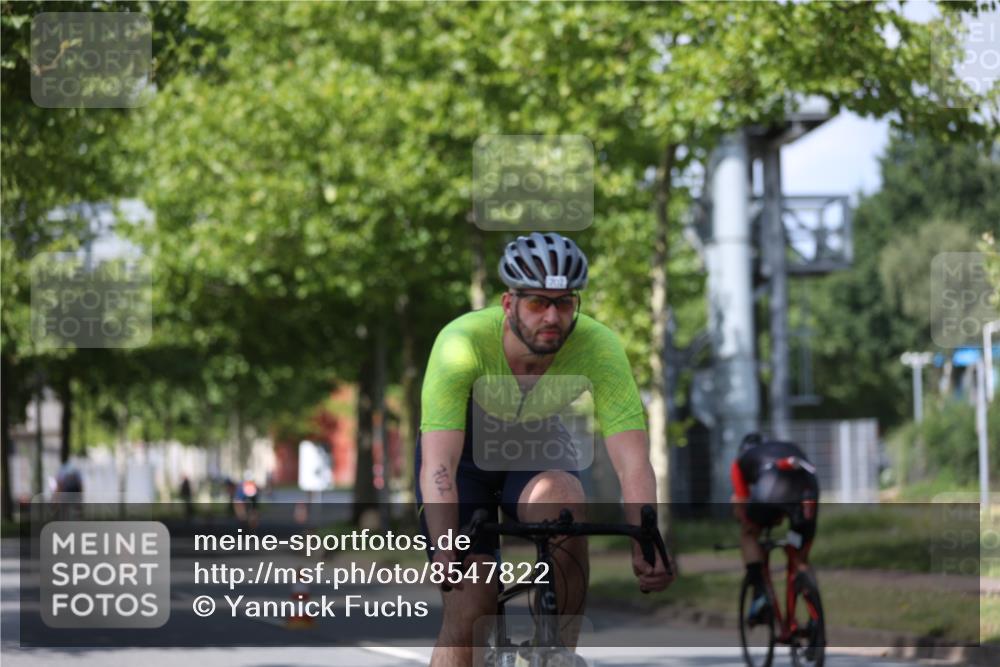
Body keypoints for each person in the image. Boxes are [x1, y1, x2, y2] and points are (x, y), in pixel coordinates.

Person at [416, 232, 674, 667]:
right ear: (507, 304)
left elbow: (632, 461)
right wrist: (445, 547)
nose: (552, 316)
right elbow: (438, 462)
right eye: (537, 302)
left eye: (565, 303)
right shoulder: (461, 343)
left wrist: (646, 544)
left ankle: (554, 652)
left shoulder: (598, 345)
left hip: (533, 446)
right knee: (472, 601)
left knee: (566, 507)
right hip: (462, 460)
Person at [730, 432, 820, 625]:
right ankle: (815, 620)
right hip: (808, 486)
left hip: (772, 487)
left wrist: (746, 520)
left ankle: (760, 595)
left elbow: (741, 501)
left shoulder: (740, 462)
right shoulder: (788, 447)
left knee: (748, 534)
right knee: (800, 556)